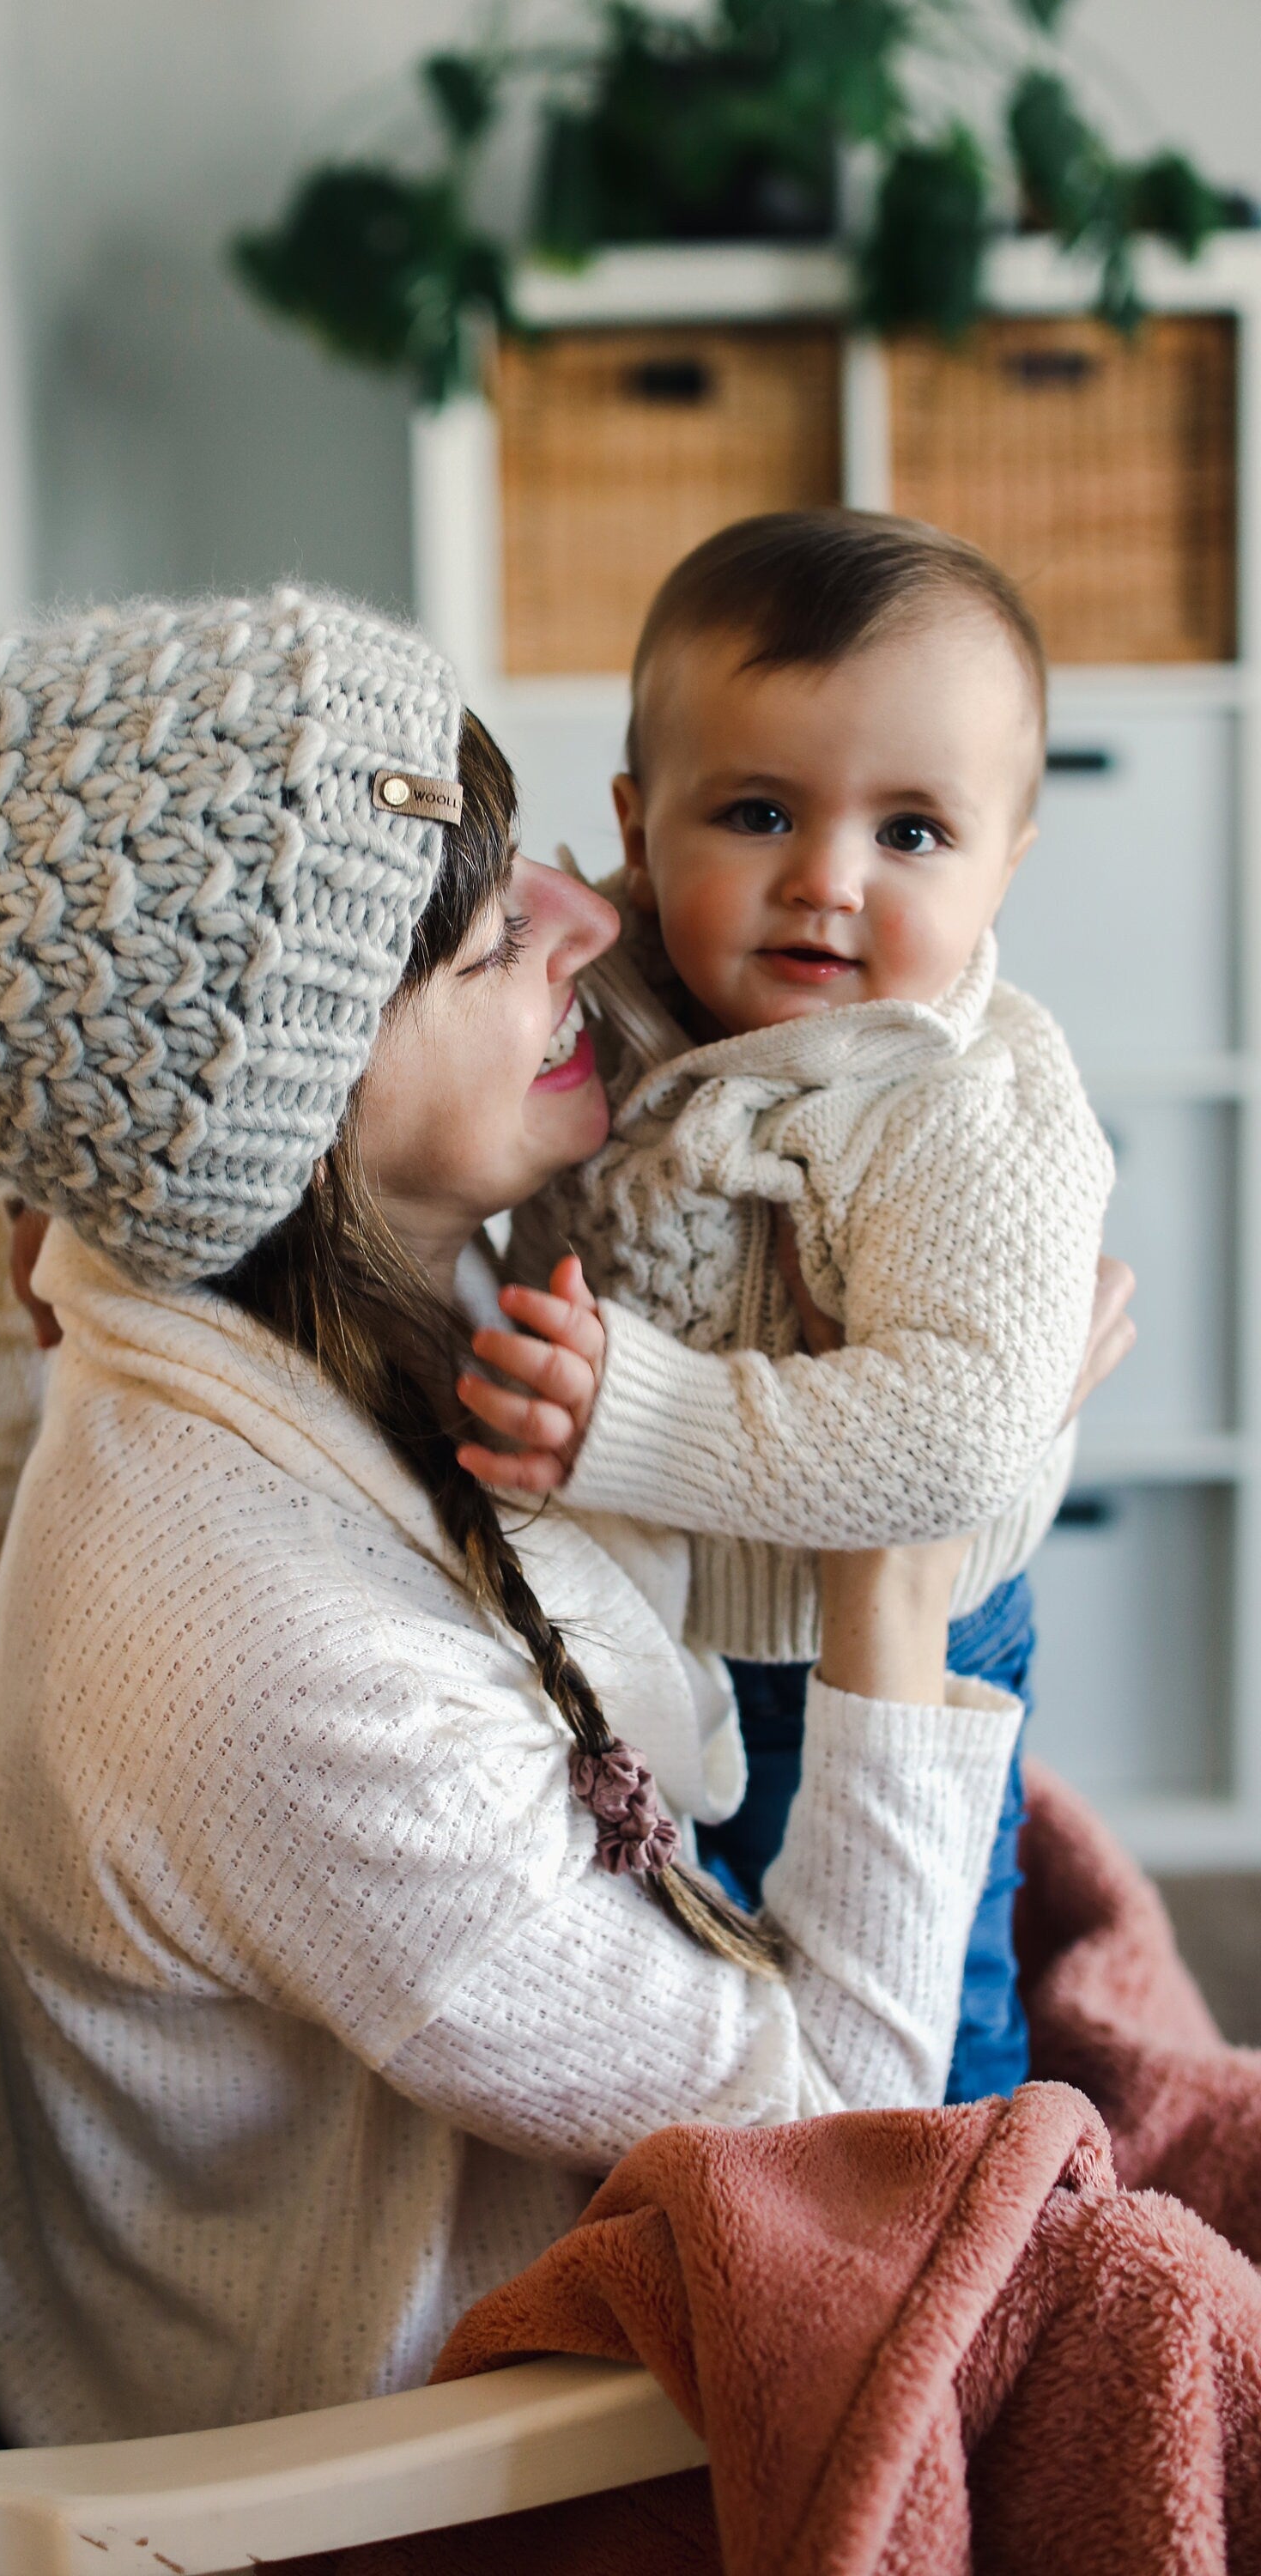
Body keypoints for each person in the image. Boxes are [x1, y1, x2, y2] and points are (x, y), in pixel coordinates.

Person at [0, 562, 1130, 2448]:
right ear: (287, 1114)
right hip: (396, 2450)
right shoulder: (261, 1657)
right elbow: (850, 2132)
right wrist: (905, 1550)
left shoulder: (315, 1292)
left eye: (531, 854)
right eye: (476, 949)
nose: (581, 918)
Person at [481, 511, 1114, 2105]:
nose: (826, 882)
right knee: (702, 1985)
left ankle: (974, 2217)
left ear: (1007, 863)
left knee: (925, 2001)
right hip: (656, 1635)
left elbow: (958, 1434)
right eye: (758, 812)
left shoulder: (960, 1103)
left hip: (877, 1646)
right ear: (638, 826)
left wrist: (638, 1420)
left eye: (912, 834)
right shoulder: (602, 994)